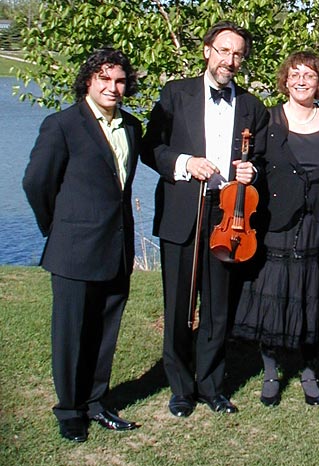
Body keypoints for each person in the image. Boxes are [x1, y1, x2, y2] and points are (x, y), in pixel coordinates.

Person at [143, 21, 268, 417]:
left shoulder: (252, 106)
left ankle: (212, 385)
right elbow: (152, 148)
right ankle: (180, 388)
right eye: (224, 51)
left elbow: (262, 160)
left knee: (218, 308)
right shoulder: (174, 93)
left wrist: (253, 173)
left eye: (237, 55)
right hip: (184, 209)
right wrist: (185, 162)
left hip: (229, 214)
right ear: (207, 51)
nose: (230, 61)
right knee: (179, 304)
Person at [22, 48, 142, 442]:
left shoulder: (132, 126)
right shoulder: (62, 125)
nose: (113, 87)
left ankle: (95, 401)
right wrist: (57, 229)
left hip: (117, 247)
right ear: (88, 81)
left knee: (106, 331)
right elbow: (37, 183)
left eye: (120, 80)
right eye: (104, 79)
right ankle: (69, 409)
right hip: (74, 247)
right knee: (72, 332)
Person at [232, 51, 319, 407]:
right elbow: (257, 164)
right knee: (273, 296)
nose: (301, 81)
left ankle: (309, 371)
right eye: (295, 74)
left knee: (312, 295)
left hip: (318, 223)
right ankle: (270, 371)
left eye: (309, 75)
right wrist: (249, 174)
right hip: (276, 220)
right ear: (285, 79)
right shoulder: (269, 119)